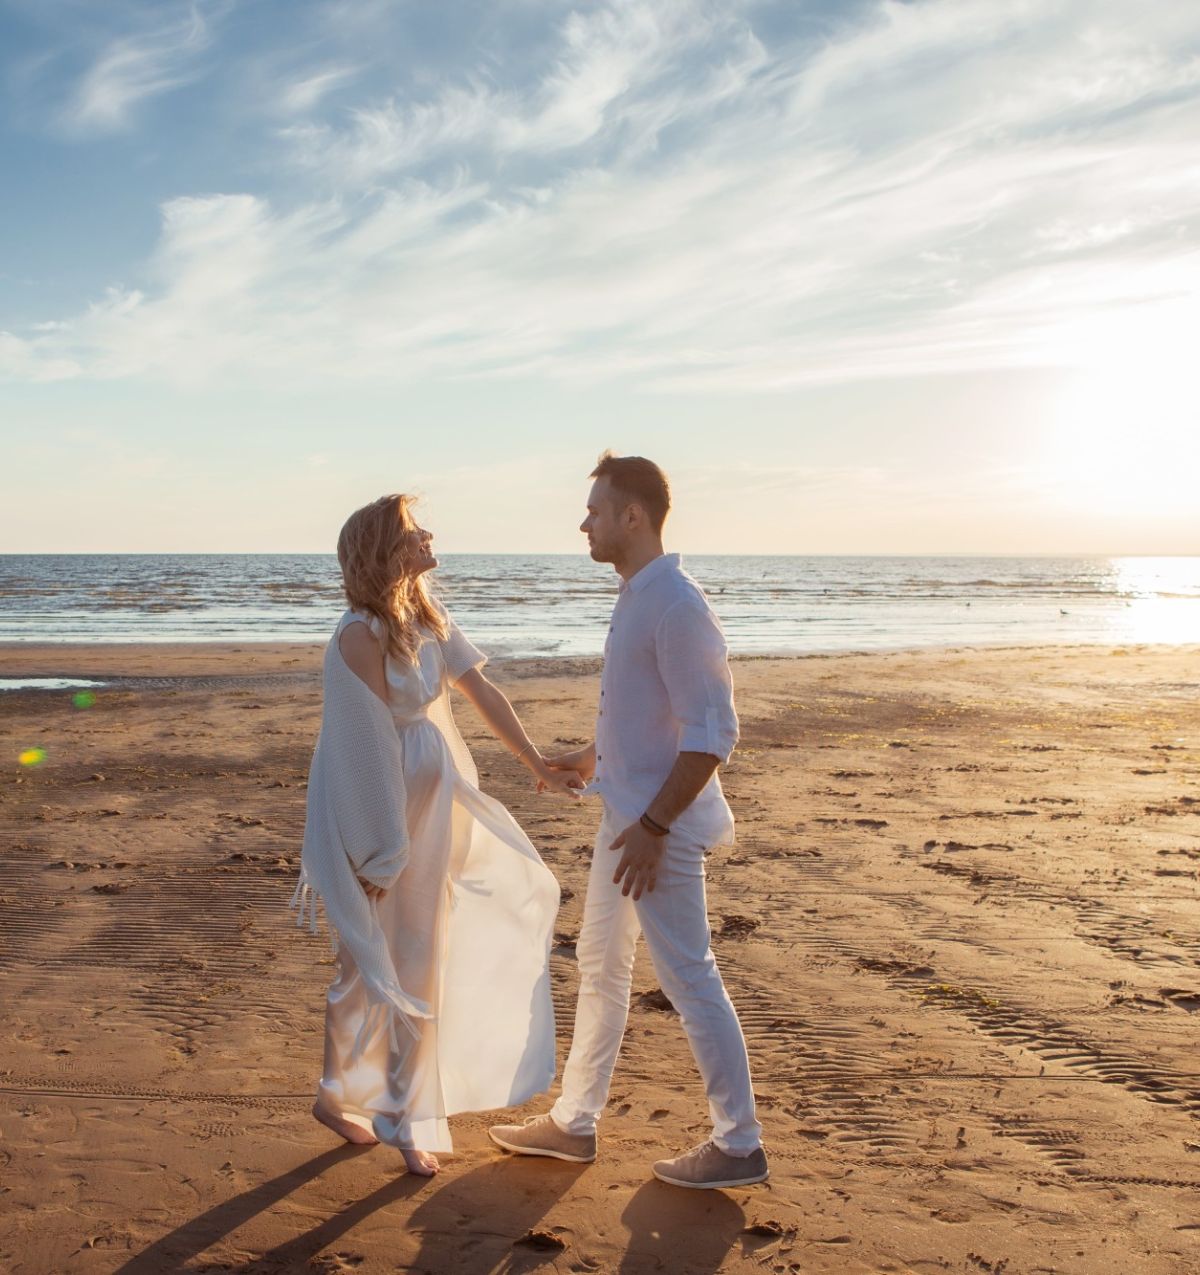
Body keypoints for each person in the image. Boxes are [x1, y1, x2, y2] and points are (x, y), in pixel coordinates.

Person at [489, 453, 768, 1189]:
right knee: (600, 964)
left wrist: (652, 826)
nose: (585, 522)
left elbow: (714, 733)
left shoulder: (677, 604)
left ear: (632, 516)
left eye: (596, 509)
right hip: (628, 817)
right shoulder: (639, 596)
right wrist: (589, 760)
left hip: (658, 833)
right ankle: (575, 1123)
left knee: (688, 975)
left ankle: (739, 1139)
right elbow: (655, 722)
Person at [289, 494, 579, 1176]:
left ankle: (401, 1109)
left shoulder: (427, 616)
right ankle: (344, 1095)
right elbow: (361, 746)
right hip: (381, 806)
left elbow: (485, 694)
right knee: (365, 955)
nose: (429, 534)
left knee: (417, 951)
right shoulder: (357, 634)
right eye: (416, 528)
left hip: (436, 796)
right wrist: (378, 846)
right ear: (388, 548)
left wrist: (536, 762)